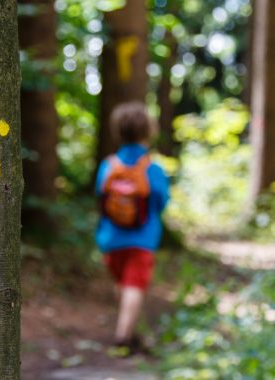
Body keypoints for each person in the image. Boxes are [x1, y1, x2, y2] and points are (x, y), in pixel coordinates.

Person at [95, 101, 170, 353]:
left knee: (123, 283)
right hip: (142, 238)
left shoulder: (109, 165)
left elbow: (99, 194)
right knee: (135, 285)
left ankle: (126, 328)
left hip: (111, 237)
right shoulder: (153, 168)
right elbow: (160, 201)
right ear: (149, 131)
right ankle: (122, 336)